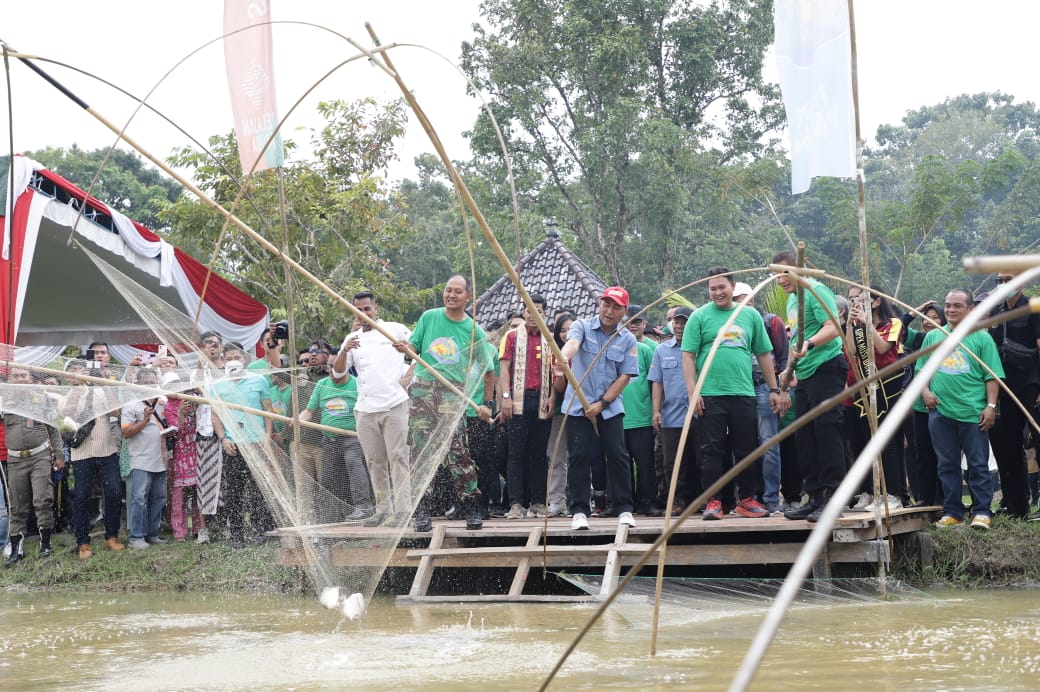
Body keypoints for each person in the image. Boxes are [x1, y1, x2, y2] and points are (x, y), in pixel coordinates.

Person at [682, 268, 785, 520]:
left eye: (722, 287)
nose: (717, 292)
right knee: (712, 449)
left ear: (733, 287)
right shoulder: (699, 317)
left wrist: (774, 389)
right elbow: (688, 355)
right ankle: (714, 501)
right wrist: (693, 393)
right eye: (712, 288)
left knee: (746, 447)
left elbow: (763, 354)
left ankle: (747, 499)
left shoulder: (748, 315)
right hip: (711, 393)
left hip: (744, 391)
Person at [394, 275, 495, 532]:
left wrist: (487, 403)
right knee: (420, 450)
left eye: (458, 292)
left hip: (452, 394)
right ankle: (422, 511)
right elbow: (414, 347)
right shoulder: (430, 317)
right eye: (448, 290)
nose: (451, 295)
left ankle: (471, 506)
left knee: (457, 451)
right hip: (423, 390)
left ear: (467, 296)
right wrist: (405, 348)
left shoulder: (474, 331)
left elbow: (489, 368)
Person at [917, 288, 1003, 530]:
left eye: (957, 306)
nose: (951, 310)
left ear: (969, 310)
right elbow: (921, 370)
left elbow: (992, 376)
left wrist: (991, 406)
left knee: (977, 463)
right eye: (948, 305)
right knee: (947, 463)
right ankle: (953, 511)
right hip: (941, 412)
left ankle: (982, 511)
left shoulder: (981, 338)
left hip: (973, 413)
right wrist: (925, 391)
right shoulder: (934, 337)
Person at [772, 250, 848, 522]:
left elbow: (834, 327)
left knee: (827, 432)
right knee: (805, 435)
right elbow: (796, 342)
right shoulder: (793, 300)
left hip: (826, 368)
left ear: (800, 269)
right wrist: (789, 370)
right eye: (776, 275)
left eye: (784, 273)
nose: (780, 281)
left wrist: (810, 344)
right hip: (804, 374)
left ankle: (833, 497)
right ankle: (814, 495)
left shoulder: (816, 290)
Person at [559, 286, 639, 530]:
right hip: (578, 405)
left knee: (618, 455)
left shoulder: (627, 339)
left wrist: (602, 403)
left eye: (616, 307)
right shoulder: (582, 326)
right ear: (599, 304)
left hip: (610, 406)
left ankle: (624, 508)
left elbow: (625, 377)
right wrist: (563, 357)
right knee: (580, 456)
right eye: (606, 304)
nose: (609, 311)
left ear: (624, 311)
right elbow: (572, 344)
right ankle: (580, 510)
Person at [336, 290, 413, 520]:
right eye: (357, 311)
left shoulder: (395, 329)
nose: (363, 314)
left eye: (366, 309)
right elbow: (339, 373)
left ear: (375, 309)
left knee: (398, 457)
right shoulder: (352, 339)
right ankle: (383, 510)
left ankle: (403, 510)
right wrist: (345, 349)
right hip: (366, 409)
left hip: (394, 404)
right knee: (375, 461)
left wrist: (408, 378)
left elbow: (419, 351)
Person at [844, 284, 907, 511]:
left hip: (885, 388)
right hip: (861, 391)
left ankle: (893, 495)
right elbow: (850, 351)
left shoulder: (893, 323)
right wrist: (852, 324)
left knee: (885, 442)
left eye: (861, 298)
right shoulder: (855, 325)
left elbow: (881, 349)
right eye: (852, 299)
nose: (856, 303)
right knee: (862, 444)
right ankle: (869, 493)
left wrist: (867, 323)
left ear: (877, 301)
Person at [210, 342, 276, 548]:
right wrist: (223, 438)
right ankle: (237, 534)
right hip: (234, 445)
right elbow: (215, 414)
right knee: (234, 492)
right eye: (228, 358)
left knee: (258, 489)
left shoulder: (258, 381)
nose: (232, 362)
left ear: (244, 359)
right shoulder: (217, 385)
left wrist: (267, 435)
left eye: (236, 358)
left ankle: (261, 530)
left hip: (256, 442)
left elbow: (268, 409)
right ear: (223, 361)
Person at [732, 282, 790, 514]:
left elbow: (783, 358)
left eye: (745, 298)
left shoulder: (770, 321)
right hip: (740, 388)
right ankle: (748, 497)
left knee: (769, 444)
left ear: (752, 299)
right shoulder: (729, 325)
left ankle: (772, 498)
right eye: (737, 300)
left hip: (766, 387)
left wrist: (781, 389)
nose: (741, 303)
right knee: (743, 445)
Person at [987, 272, 1040, 519]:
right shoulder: (995, 312)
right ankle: (1015, 505)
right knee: (1007, 447)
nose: (1003, 284)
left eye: (1009, 279)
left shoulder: (1032, 308)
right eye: (999, 280)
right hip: (1003, 389)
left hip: (1031, 385)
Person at [498, 294, 553, 519]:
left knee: (539, 454)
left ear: (545, 313)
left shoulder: (549, 339)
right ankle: (515, 503)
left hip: (542, 400)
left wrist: (553, 398)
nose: (533, 315)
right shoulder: (511, 336)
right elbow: (504, 369)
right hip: (517, 400)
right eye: (529, 310)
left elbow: (555, 371)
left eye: (538, 311)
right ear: (524, 312)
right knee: (516, 453)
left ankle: (539, 502)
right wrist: (505, 397)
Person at [63, 363, 125, 559]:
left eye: (82, 370)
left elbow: (116, 412)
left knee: (114, 492)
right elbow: (63, 422)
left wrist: (101, 381)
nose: (80, 374)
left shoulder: (100, 391)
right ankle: (83, 542)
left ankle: (112, 535)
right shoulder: (65, 396)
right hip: (81, 454)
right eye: (74, 372)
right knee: (81, 496)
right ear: (67, 377)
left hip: (107, 450)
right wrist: (77, 389)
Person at [3, 366, 63, 565]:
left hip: (40, 456)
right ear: (11, 379)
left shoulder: (42, 398)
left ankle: (45, 543)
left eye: (24, 376)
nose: (20, 379)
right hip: (15, 459)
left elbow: (54, 428)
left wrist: (59, 455)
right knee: (17, 505)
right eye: (16, 376)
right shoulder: (4, 398)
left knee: (42, 499)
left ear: (31, 378)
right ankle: (16, 549)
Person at [301, 368, 374, 523]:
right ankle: (329, 516)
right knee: (327, 479)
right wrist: (297, 421)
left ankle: (363, 507)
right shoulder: (322, 384)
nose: (333, 371)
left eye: (337, 367)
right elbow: (309, 411)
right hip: (329, 440)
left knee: (354, 465)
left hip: (353, 438)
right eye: (330, 366)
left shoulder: (357, 384)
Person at [649, 306, 699, 512]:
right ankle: (676, 501)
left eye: (684, 322)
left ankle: (699, 500)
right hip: (671, 416)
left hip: (699, 414)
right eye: (676, 322)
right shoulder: (662, 350)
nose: (679, 326)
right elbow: (657, 383)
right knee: (672, 463)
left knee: (700, 459)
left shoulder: (701, 348)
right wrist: (656, 411)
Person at [900, 301, 947, 506]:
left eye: (935, 317)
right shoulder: (919, 339)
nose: (930, 322)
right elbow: (898, 329)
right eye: (926, 318)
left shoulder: (952, 340)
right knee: (923, 453)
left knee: (945, 454)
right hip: (920, 405)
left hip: (945, 405)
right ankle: (925, 498)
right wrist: (914, 311)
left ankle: (946, 499)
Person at [121, 368, 169, 549]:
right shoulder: (131, 404)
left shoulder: (162, 402)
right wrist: (144, 421)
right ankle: (136, 537)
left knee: (159, 497)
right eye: (147, 381)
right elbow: (125, 431)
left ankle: (152, 533)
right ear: (138, 383)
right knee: (139, 497)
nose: (151, 384)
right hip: (140, 459)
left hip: (161, 458)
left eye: (153, 381)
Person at [621, 305, 661, 516]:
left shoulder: (650, 349)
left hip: (642, 414)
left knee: (645, 463)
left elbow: (656, 382)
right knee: (621, 464)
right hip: (618, 416)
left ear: (644, 324)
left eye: (637, 322)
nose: (632, 325)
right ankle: (624, 503)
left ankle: (648, 502)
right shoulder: (615, 346)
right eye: (628, 321)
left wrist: (656, 410)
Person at [163, 373, 203, 541]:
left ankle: (198, 528)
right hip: (180, 452)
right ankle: (179, 531)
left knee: (197, 491)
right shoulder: (168, 407)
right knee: (179, 494)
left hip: (196, 448)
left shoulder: (192, 399)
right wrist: (180, 413)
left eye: (176, 385)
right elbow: (175, 431)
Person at [193, 331, 223, 544]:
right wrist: (201, 360)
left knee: (226, 482)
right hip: (204, 433)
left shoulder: (226, 368)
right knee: (204, 481)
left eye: (216, 343)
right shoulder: (198, 369)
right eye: (208, 343)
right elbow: (197, 387)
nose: (213, 347)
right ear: (202, 347)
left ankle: (227, 524)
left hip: (225, 433)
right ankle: (203, 528)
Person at [546, 313, 575, 517]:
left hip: (583, 410)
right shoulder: (555, 354)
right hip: (560, 410)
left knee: (582, 456)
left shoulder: (586, 351)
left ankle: (582, 499)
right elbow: (559, 387)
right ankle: (557, 500)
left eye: (570, 330)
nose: (566, 334)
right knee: (556, 456)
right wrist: (560, 372)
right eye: (562, 331)